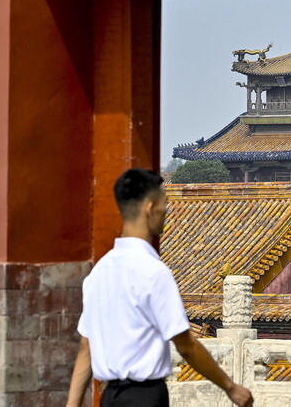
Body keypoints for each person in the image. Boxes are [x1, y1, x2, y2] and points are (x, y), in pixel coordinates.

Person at [65, 168, 253, 407]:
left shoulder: (99, 273)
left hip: (109, 398)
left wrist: (71, 404)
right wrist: (231, 387)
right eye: (164, 203)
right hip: (145, 397)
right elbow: (186, 347)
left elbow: (86, 347)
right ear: (150, 208)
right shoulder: (154, 272)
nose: (166, 210)